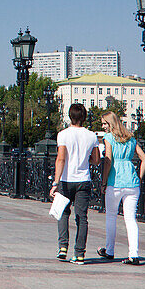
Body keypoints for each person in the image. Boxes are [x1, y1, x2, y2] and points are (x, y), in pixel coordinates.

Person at [49, 102, 101, 265]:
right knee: (82, 218)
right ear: (84, 117)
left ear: (70, 116)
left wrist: (55, 182)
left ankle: (63, 247)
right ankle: (79, 254)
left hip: (65, 180)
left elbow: (61, 158)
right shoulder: (91, 136)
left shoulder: (63, 134)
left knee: (63, 214)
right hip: (83, 180)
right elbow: (96, 160)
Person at [99, 111, 145, 265]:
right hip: (132, 182)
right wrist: (138, 177)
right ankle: (134, 254)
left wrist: (104, 181)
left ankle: (110, 250)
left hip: (115, 182)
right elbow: (144, 159)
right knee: (130, 219)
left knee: (111, 216)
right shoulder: (130, 139)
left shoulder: (108, 138)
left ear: (111, 124)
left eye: (104, 124)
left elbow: (108, 160)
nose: (103, 127)